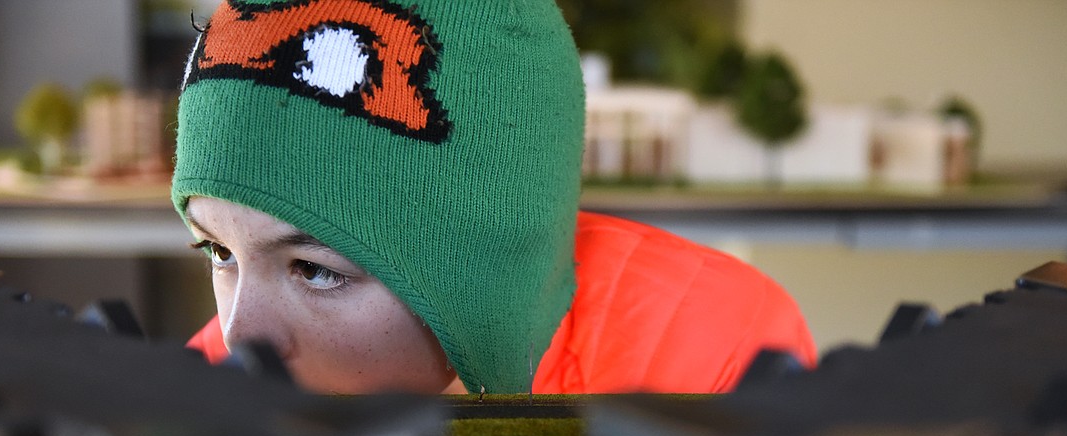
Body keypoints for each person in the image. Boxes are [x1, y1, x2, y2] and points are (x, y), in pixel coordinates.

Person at [175, 0, 816, 395]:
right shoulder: (210, 384)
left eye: (316, 269)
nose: (240, 339)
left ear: (484, 273)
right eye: (219, 252)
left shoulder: (710, 361)